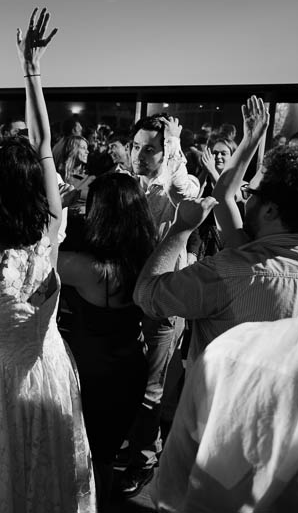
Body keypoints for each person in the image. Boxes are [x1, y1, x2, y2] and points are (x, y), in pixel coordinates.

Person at [156, 122, 298, 513]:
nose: (246, 197)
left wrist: (250, 140)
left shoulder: (231, 347)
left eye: (253, 193)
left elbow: (172, 494)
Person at [0, 8, 96, 512]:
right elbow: (44, 141)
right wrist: (32, 69)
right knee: (45, 479)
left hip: (0, 380)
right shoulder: (49, 223)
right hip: (47, 367)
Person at [134, 96, 298, 364]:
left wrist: (181, 228)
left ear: (270, 210)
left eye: (250, 192)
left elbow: (148, 294)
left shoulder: (229, 271)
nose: (245, 197)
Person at [57, 172, 155, 505]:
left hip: (94, 369)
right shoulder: (146, 257)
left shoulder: (88, 268)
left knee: (85, 453)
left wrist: (58, 208)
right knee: (106, 453)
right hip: (130, 364)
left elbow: (34, 258)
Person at [118, 111, 200, 497]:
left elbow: (183, 193)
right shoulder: (127, 184)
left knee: (152, 388)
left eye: (150, 149)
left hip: (163, 300)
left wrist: (174, 152)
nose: (140, 155)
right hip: (123, 295)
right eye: (136, 147)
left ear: (166, 152)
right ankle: (127, 442)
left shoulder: (179, 185)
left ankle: (143, 461)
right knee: (124, 379)